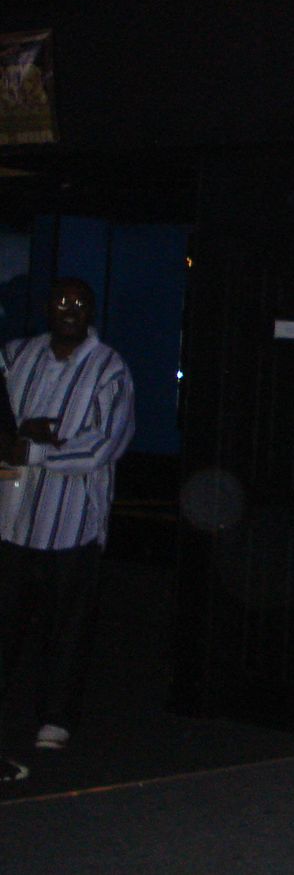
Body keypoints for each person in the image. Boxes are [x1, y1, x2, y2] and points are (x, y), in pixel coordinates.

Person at [0, 278, 135, 753]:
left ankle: (55, 719)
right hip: (10, 520)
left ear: (92, 310)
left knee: (67, 630)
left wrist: (31, 451)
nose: (70, 309)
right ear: (47, 308)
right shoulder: (15, 355)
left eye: (79, 302)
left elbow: (103, 446)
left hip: (72, 525)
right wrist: (17, 433)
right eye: (61, 301)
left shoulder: (109, 369)